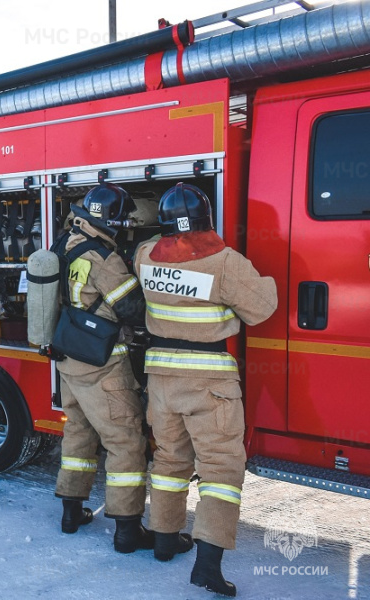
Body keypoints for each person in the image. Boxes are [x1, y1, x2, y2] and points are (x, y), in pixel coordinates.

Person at [134, 183, 277, 597]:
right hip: (209, 381)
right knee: (220, 470)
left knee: (169, 458)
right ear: (206, 220)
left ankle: (163, 540)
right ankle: (208, 566)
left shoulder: (145, 257)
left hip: (160, 379)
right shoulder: (225, 262)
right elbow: (263, 307)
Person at [51, 184, 153, 554]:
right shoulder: (103, 258)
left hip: (68, 360)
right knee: (125, 441)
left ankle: (70, 512)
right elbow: (132, 309)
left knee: (78, 435)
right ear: (109, 219)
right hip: (103, 364)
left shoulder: (61, 245)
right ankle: (127, 531)